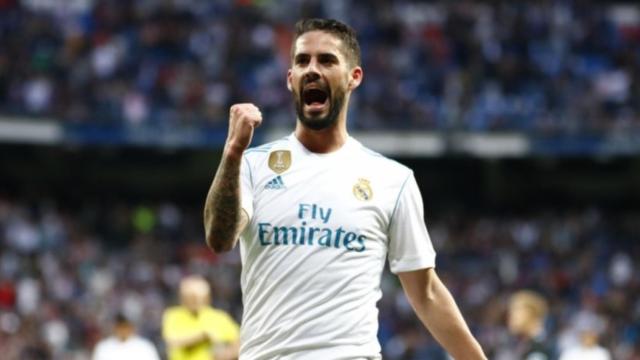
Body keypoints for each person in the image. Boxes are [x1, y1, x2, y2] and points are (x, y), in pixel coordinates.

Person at [203, 18, 486, 359]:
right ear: (290, 79)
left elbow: (425, 294)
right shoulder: (252, 165)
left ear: (354, 77)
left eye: (327, 60)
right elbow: (219, 239)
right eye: (302, 60)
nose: (312, 69)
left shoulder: (391, 180)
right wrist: (233, 153)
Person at [162, 275, 240, 360]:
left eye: (199, 297)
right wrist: (203, 336)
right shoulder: (173, 315)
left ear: (207, 297)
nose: (196, 301)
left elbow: (239, 342)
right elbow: (173, 342)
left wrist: (226, 355)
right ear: (183, 297)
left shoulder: (219, 317)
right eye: (192, 297)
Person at [502, 290, 554, 360]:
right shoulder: (524, 344)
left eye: (515, 311)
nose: (510, 317)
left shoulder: (539, 347)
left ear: (529, 313)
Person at [92, 313, 160, 360]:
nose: (123, 330)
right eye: (120, 326)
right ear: (115, 327)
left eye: (125, 326)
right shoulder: (104, 347)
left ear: (131, 327)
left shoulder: (145, 347)